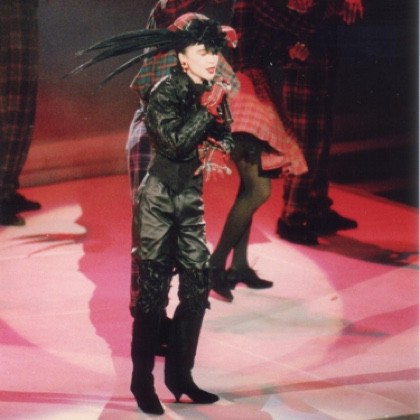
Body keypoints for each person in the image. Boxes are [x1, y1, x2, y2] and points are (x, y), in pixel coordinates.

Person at [72, 12, 238, 415]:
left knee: (197, 285)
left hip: (189, 197)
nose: (212, 59)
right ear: (182, 57)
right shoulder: (164, 91)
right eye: (203, 51)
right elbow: (176, 143)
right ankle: (141, 380)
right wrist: (207, 113)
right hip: (158, 196)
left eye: (214, 51)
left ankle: (181, 376)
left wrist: (219, 140)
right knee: (152, 290)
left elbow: (225, 134)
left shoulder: (211, 90)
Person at [209, 0, 309, 301]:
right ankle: (213, 267)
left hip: (253, 89)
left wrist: (288, 53)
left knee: (249, 187)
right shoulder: (252, 2)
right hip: (244, 92)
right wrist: (310, 12)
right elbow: (290, 24)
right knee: (258, 190)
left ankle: (238, 265)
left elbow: (264, 50)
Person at [258, 0, 363, 245]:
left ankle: (316, 211)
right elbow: (296, 15)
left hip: (320, 60)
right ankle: (292, 218)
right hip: (301, 64)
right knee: (304, 144)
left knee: (320, 140)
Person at [0, 0, 41, 226]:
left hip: (21, 13)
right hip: (8, 16)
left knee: (21, 105)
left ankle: (7, 190)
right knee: (9, 108)